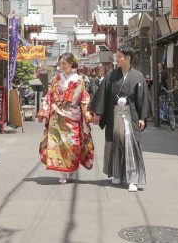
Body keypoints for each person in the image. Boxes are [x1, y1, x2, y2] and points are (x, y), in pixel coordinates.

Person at [89, 44, 152, 192]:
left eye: (119, 57)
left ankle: (133, 179)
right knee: (115, 144)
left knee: (131, 146)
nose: (116, 59)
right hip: (114, 115)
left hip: (130, 116)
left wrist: (142, 118)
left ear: (128, 58)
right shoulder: (111, 75)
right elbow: (102, 95)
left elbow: (142, 98)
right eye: (116, 56)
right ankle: (116, 173)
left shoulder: (137, 76)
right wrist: (98, 114)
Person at [37, 52, 95, 184]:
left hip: (72, 116)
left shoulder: (79, 79)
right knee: (57, 144)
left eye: (65, 63)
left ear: (71, 64)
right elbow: (49, 96)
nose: (62, 66)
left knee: (71, 144)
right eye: (60, 63)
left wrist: (88, 114)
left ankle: (70, 169)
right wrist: (43, 112)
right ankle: (63, 173)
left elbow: (84, 99)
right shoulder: (56, 79)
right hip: (56, 116)